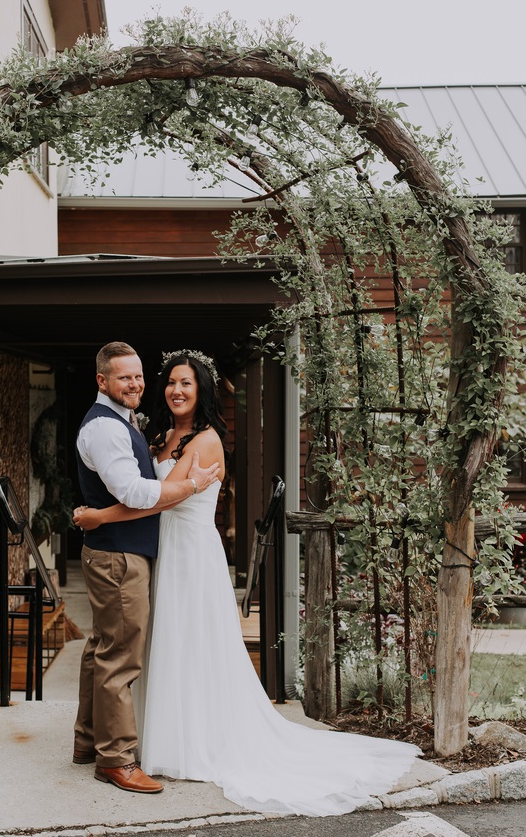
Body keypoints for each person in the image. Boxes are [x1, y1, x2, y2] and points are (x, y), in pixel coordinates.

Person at [74, 349, 420, 816]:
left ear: (203, 391)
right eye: (171, 382)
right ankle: (121, 741)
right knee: (148, 645)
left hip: (190, 555)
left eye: (186, 384)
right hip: (161, 552)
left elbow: (153, 501)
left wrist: (95, 516)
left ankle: (187, 741)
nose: (175, 390)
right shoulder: (156, 432)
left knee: (188, 647)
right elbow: (145, 491)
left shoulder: (207, 440)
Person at [73, 342, 220, 796]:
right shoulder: (109, 428)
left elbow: (147, 492)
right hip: (120, 554)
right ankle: (115, 759)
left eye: (139, 376)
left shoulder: (137, 424)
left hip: (159, 550)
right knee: (118, 653)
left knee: (105, 646)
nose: (137, 384)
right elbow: (138, 494)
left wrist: (98, 517)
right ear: (103, 381)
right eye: (125, 377)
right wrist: (193, 482)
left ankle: (89, 742)